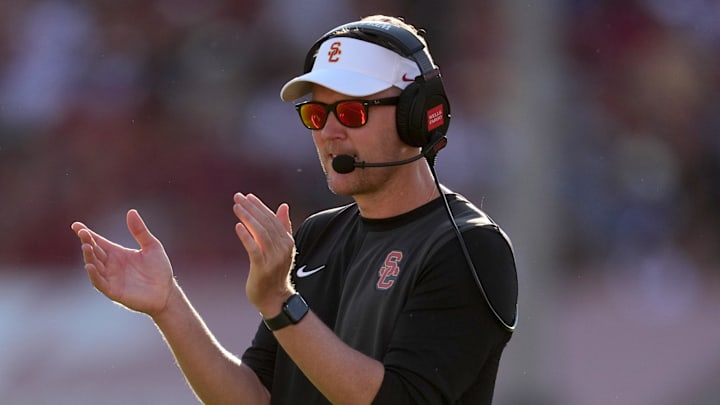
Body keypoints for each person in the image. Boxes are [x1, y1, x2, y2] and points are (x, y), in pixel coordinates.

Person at [71, 14, 518, 405]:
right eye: (316, 116)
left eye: (352, 112)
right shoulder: (316, 236)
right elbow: (255, 398)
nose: (330, 132)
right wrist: (169, 306)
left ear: (416, 115)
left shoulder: (469, 247)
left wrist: (281, 303)